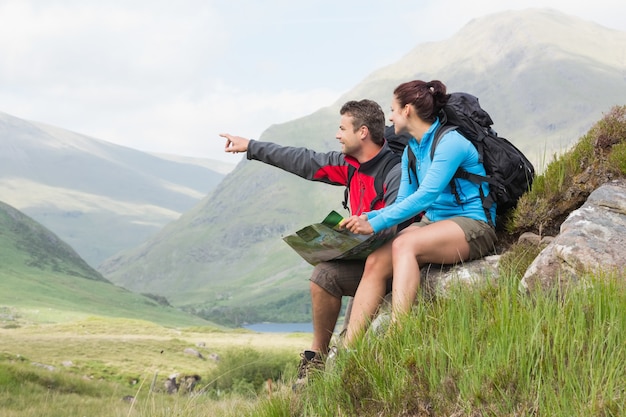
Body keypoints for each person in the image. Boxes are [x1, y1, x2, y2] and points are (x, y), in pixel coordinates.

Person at [219, 99, 402, 384]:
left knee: (353, 338)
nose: (337, 134)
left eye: (342, 128)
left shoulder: (395, 171)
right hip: (365, 259)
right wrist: (252, 147)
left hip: (393, 265)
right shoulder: (349, 166)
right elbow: (305, 160)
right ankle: (315, 360)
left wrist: (369, 228)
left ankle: (348, 367)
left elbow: (402, 219)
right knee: (322, 276)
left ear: (363, 132)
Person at [341, 80, 498, 346]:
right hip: (435, 222)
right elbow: (404, 200)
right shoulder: (412, 150)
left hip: (473, 223)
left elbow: (425, 195)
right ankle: (348, 350)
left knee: (404, 244)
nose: (389, 117)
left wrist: (376, 224)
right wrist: (369, 217)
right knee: (376, 262)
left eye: (393, 110)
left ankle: (397, 336)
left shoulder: (451, 143)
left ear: (408, 110)